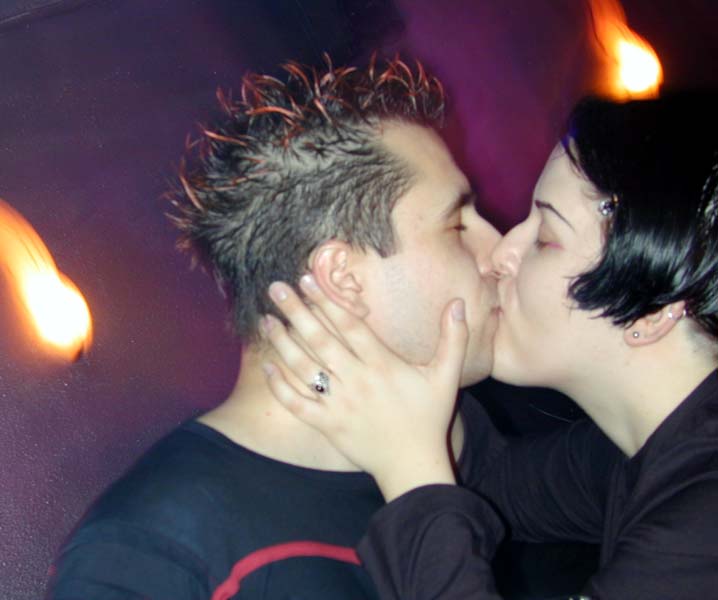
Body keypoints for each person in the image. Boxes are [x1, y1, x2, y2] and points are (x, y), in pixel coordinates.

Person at [45, 55, 503, 599]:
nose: (500, 250)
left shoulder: (462, 441)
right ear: (342, 277)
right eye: (457, 224)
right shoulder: (148, 559)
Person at [260, 90, 718, 599]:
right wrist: (405, 385)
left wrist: (411, 471)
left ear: (652, 312)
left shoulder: (703, 525)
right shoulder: (647, 454)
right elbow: (500, 486)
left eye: (545, 239)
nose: (503, 251)